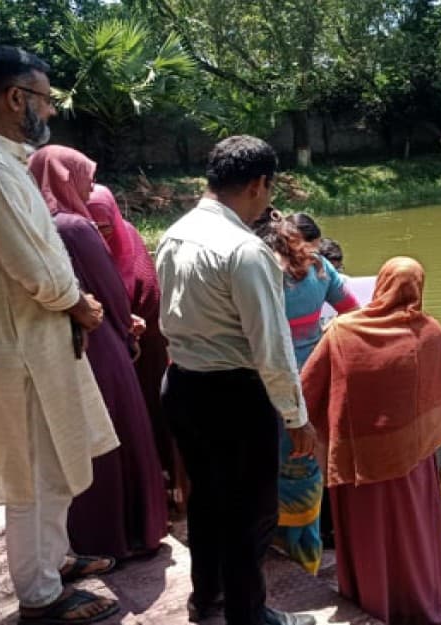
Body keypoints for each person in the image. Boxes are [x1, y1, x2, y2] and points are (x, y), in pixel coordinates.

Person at [0, 46, 119, 624]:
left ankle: (54, 559)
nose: (51, 113)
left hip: (28, 338)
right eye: (45, 99)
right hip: (21, 346)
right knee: (34, 471)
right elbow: (34, 265)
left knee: (54, 461)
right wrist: (79, 305)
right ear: (16, 98)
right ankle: (40, 596)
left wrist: (70, 304)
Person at [155, 135, 315, 625]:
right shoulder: (245, 251)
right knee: (252, 514)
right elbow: (271, 347)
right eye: (269, 190)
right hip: (234, 396)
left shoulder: (173, 234)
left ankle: (208, 597)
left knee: (205, 499)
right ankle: (250, 615)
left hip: (182, 385)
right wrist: (296, 416)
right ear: (258, 184)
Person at [301, 256, 441, 625]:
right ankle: (423, 601)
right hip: (416, 462)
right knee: (415, 535)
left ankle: (373, 604)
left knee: (370, 536)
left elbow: (307, 392)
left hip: (363, 464)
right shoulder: (433, 333)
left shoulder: (343, 333)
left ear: (380, 286)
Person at [28, 145, 169, 561]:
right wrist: (127, 328)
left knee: (74, 443)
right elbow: (108, 291)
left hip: (56, 345)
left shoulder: (31, 224)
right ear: (67, 178)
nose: (92, 184)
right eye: (85, 176)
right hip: (101, 343)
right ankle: (126, 535)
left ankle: (80, 538)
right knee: (116, 439)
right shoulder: (75, 227)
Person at [257, 216, 357, 570]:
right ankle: (302, 548)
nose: (310, 254)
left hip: (282, 381)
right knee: (300, 458)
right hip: (297, 380)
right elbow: (352, 312)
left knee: (288, 458)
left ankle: (284, 541)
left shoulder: (270, 273)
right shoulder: (316, 270)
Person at [85, 184, 188, 514]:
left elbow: (147, 287)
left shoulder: (127, 238)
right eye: (93, 226)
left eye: (105, 226)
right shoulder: (75, 244)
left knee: (156, 415)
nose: (101, 233)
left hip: (149, 347)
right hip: (103, 348)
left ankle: (167, 485)